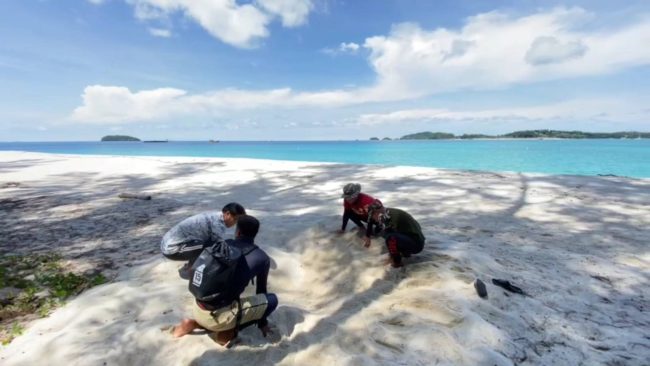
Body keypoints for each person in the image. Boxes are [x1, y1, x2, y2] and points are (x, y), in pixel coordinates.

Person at [172, 215, 278, 347]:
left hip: (198, 305)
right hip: (221, 318)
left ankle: (196, 322)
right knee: (272, 300)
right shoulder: (262, 258)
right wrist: (262, 323)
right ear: (255, 234)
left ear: (237, 232)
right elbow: (261, 291)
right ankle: (226, 332)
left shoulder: (223, 244)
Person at [161, 202, 246, 279]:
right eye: (235, 219)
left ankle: (191, 266)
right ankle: (191, 271)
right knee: (208, 246)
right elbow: (218, 247)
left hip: (167, 242)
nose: (235, 223)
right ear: (227, 214)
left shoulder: (215, 216)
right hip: (171, 249)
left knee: (205, 244)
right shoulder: (218, 224)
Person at [367, 200, 425, 268]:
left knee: (390, 238)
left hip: (417, 243)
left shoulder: (393, 216)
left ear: (376, 213)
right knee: (385, 233)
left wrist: (393, 256)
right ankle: (404, 255)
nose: (374, 219)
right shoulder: (387, 214)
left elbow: (392, 236)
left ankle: (397, 263)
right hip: (412, 237)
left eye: (373, 217)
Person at [338, 183, 381, 247]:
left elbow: (371, 219)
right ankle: (361, 226)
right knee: (349, 213)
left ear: (356, 195)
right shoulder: (347, 200)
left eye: (351, 198)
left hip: (376, 218)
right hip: (362, 215)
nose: (349, 200)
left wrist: (368, 236)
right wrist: (343, 229)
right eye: (347, 198)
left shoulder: (366, 201)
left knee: (376, 233)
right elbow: (346, 213)